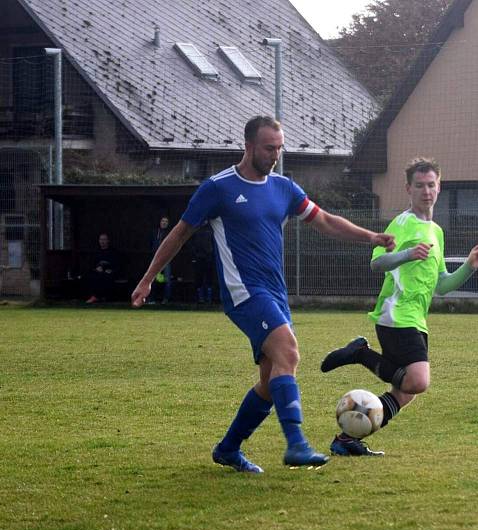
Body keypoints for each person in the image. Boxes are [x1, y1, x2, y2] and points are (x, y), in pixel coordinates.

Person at [131, 115, 395, 473]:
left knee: (271, 382)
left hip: (275, 293)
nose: (275, 155)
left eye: (280, 148)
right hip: (244, 292)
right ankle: (296, 444)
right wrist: (148, 278)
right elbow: (179, 233)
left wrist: (372, 237)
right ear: (249, 146)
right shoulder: (218, 188)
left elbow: (326, 220)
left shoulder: (284, 188)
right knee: (289, 351)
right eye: (270, 148)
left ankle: (228, 448)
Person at [320, 157, 478, 456]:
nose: (426, 191)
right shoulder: (402, 223)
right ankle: (360, 353)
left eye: (431, 185)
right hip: (396, 314)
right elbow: (377, 262)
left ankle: (347, 441)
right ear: (408, 189)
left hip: (416, 318)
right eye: (419, 186)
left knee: (405, 393)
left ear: (439, 187)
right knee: (418, 381)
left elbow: (442, 285)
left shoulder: (436, 231)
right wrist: (407, 255)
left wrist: (469, 265)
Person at [85, 232, 123, 304]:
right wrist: (96, 269)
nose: (102, 241)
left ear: (108, 241)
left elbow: (118, 265)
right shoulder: (96, 252)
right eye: (101, 239)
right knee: (92, 276)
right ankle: (94, 296)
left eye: (104, 239)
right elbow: (91, 264)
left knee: (107, 277)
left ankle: (104, 297)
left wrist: (111, 270)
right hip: (98, 272)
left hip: (110, 273)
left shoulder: (113, 252)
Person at [188, 221, 215, 304]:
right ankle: (200, 298)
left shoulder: (211, 230)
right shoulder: (196, 229)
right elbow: (190, 242)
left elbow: (215, 243)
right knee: (199, 278)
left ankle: (209, 299)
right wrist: (195, 253)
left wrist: (212, 253)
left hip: (209, 258)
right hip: (199, 258)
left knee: (209, 278)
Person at [149, 216, 172, 304]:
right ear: (160, 222)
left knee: (167, 280)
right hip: (155, 260)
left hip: (166, 260)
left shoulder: (170, 233)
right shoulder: (155, 232)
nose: (164, 223)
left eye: (166, 221)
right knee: (153, 279)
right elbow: (151, 243)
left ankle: (166, 299)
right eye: (163, 221)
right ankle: (152, 299)